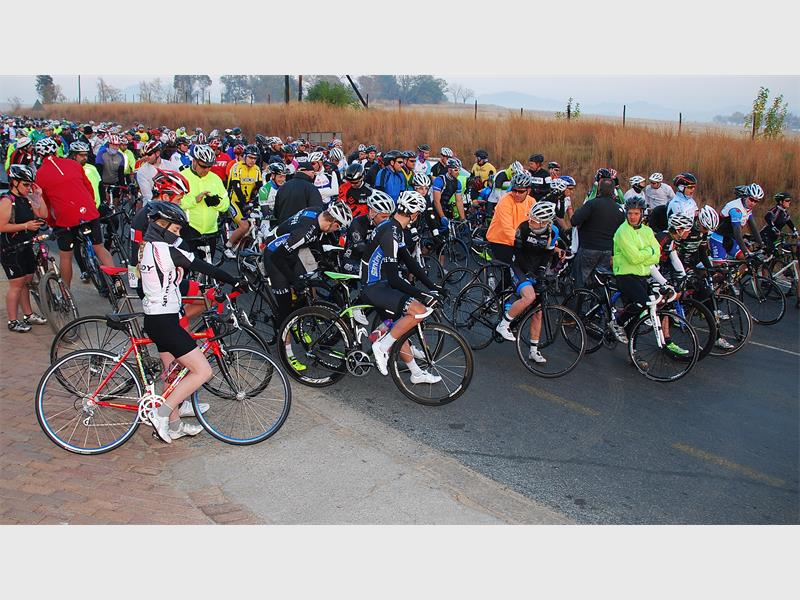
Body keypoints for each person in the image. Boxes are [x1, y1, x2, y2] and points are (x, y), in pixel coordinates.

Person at [139, 201, 245, 443]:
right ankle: (160, 414)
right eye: (175, 230)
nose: (178, 235)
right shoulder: (166, 250)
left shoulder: (148, 247)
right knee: (203, 370)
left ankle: (174, 426)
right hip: (164, 322)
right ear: (161, 226)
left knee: (172, 376)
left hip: (158, 318)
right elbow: (204, 266)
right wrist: (235, 281)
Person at [360, 190, 443, 383]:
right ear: (414, 215)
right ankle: (381, 346)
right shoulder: (391, 232)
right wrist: (423, 295)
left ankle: (416, 373)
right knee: (418, 311)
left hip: (380, 283)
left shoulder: (394, 227)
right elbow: (394, 280)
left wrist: (433, 286)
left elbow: (410, 262)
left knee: (401, 326)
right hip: (374, 286)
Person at [262, 202, 353, 369]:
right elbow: (278, 258)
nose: (337, 230)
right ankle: (287, 354)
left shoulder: (318, 212)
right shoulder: (305, 232)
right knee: (285, 311)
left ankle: (297, 321)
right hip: (274, 254)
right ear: (332, 222)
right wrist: (293, 280)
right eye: (338, 227)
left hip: (290, 250)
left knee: (307, 283)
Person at [33, 137, 115, 288]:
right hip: (88, 211)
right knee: (99, 247)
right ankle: (116, 282)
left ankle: (67, 292)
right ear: (57, 151)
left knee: (66, 256)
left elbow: (46, 204)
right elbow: (89, 187)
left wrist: (52, 223)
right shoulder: (73, 164)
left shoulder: (40, 174)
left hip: (66, 218)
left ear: (39, 155)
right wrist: (91, 205)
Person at [495, 202, 564, 363]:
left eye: (534, 220)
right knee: (529, 297)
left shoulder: (553, 231)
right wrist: (528, 272)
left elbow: (547, 255)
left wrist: (541, 271)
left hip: (535, 269)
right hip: (519, 266)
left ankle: (533, 350)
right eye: (531, 218)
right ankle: (503, 325)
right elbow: (518, 253)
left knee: (538, 312)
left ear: (545, 222)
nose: (530, 221)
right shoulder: (524, 227)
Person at [611, 196, 666, 362]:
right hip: (625, 275)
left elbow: (657, 254)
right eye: (630, 213)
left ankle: (632, 353)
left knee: (636, 318)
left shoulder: (647, 231)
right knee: (643, 303)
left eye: (636, 213)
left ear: (642, 214)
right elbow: (634, 258)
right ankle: (617, 322)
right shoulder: (622, 232)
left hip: (642, 275)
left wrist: (648, 254)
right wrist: (649, 252)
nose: (632, 217)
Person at [0, 165, 49, 332]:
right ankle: (12, 321)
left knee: (26, 281)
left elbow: (43, 214)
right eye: (26, 184)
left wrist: (39, 196)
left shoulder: (27, 198)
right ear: (15, 182)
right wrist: (25, 226)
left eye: (31, 184)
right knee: (17, 284)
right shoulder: (7, 201)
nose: (29, 188)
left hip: (26, 245)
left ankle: (28, 314)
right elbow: (2, 226)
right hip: (11, 248)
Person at [570, 178, 625, 288]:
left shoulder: (592, 204)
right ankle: (599, 299)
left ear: (599, 190)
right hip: (608, 250)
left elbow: (574, 221)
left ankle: (578, 298)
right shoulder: (619, 209)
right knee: (600, 281)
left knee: (580, 281)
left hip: (589, 248)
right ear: (613, 191)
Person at [179, 144, 231, 261]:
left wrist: (216, 202)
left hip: (210, 231)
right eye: (203, 166)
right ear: (194, 161)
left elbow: (226, 204)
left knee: (208, 267)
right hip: (190, 230)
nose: (207, 170)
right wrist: (195, 200)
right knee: (188, 266)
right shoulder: (183, 177)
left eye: (209, 166)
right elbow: (176, 204)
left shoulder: (215, 179)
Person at [485, 172, 536, 265]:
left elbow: (537, 222)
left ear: (528, 191)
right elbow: (507, 228)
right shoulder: (505, 201)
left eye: (521, 191)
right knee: (510, 269)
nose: (516, 194)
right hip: (500, 240)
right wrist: (523, 243)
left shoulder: (532, 201)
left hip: (518, 239)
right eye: (514, 190)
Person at [342, 188, 395, 276]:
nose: (387, 220)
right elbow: (362, 249)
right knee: (380, 273)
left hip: (374, 260)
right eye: (384, 217)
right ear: (372, 212)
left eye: (389, 217)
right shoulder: (357, 223)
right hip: (353, 260)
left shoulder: (385, 224)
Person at [224, 145, 263, 258]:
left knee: (255, 223)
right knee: (244, 226)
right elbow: (236, 187)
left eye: (255, 158)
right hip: (234, 201)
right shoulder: (237, 167)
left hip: (246, 201)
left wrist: (256, 201)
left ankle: (242, 243)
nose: (252, 160)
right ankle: (228, 246)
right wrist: (245, 204)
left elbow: (259, 187)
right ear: (244, 156)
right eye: (250, 157)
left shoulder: (256, 169)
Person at [710, 183, 764, 261]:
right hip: (719, 239)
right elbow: (737, 233)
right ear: (746, 196)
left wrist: (762, 245)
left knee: (750, 261)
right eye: (751, 199)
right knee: (721, 267)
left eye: (756, 201)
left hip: (730, 239)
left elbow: (753, 227)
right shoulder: (736, 209)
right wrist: (746, 252)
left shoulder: (747, 207)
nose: (753, 203)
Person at [135, 140, 181, 204]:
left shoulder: (170, 165)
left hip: (172, 202)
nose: (146, 157)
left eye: (149, 154)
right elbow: (148, 195)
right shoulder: (142, 171)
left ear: (157, 153)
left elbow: (179, 184)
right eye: (145, 155)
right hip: (152, 205)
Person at [431, 158, 465, 227]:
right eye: (456, 170)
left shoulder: (457, 183)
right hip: (432, 206)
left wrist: (463, 219)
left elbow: (459, 201)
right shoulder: (440, 180)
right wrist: (442, 216)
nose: (458, 172)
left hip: (444, 206)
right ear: (449, 170)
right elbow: (436, 201)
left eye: (459, 170)